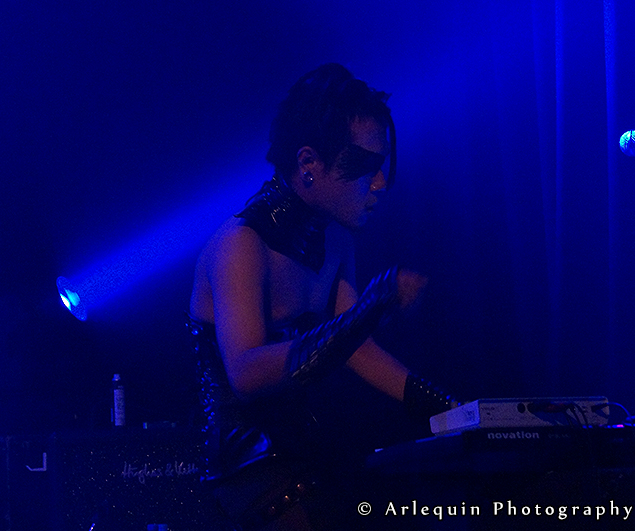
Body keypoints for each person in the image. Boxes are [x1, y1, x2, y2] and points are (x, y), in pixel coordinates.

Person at [187, 63, 456, 530]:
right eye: (366, 166)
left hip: (302, 456)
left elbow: (358, 351)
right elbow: (247, 373)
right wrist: (369, 308)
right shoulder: (240, 244)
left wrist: (453, 411)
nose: (379, 183)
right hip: (246, 471)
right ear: (309, 163)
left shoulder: (336, 240)